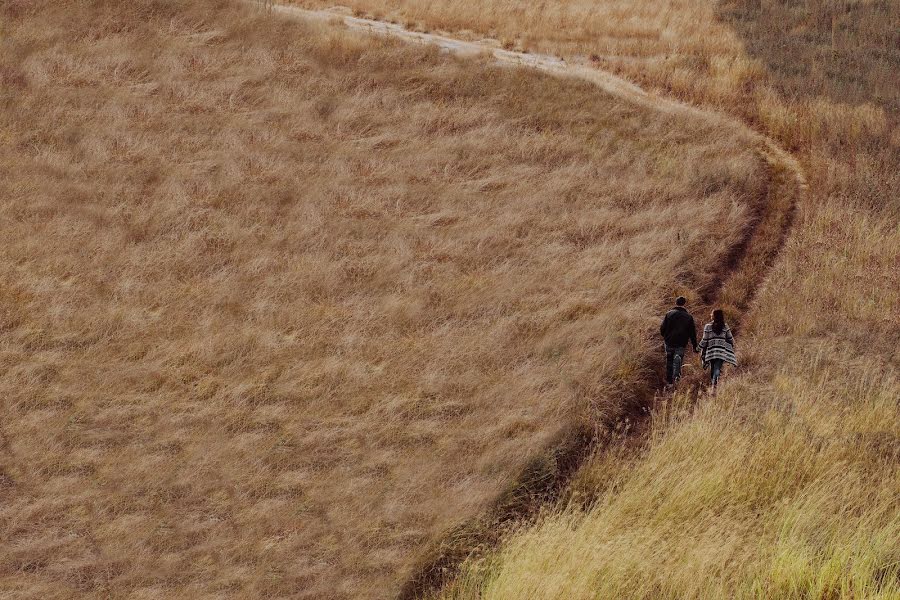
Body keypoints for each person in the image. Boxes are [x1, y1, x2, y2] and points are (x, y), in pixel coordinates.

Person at [659, 296, 699, 385]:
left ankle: (669, 382)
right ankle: (676, 380)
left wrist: (665, 337)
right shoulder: (688, 317)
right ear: (684, 304)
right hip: (681, 342)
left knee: (669, 360)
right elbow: (692, 332)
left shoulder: (668, 314)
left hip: (669, 342)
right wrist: (694, 346)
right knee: (678, 360)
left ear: (675, 303)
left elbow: (662, 328)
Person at [699, 309, 737, 387]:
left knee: (713, 367)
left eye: (712, 314)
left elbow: (704, 340)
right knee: (717, 367)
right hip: (721, 351)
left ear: (715, 316)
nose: (710, 315)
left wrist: (698, 348)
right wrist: (731, 346)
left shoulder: (707, 326)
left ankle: (714, 384)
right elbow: (730, 338)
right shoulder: (725, 326)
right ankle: (715, 384)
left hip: (711, 351)